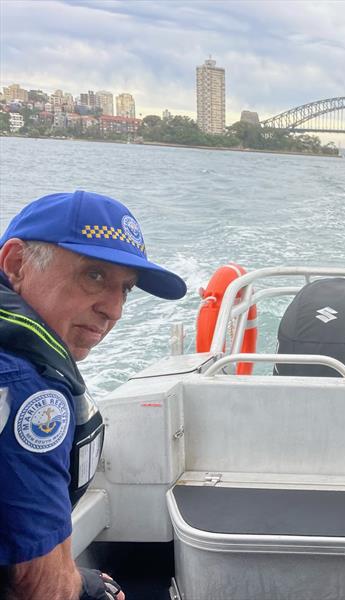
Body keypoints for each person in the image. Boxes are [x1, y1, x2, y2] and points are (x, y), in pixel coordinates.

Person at [0, 191, 187, 599]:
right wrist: (84, 585)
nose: (114, 310)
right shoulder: (26, 387)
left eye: (127, 289)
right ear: (16, 265)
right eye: (95, 276)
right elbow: (40, 586)